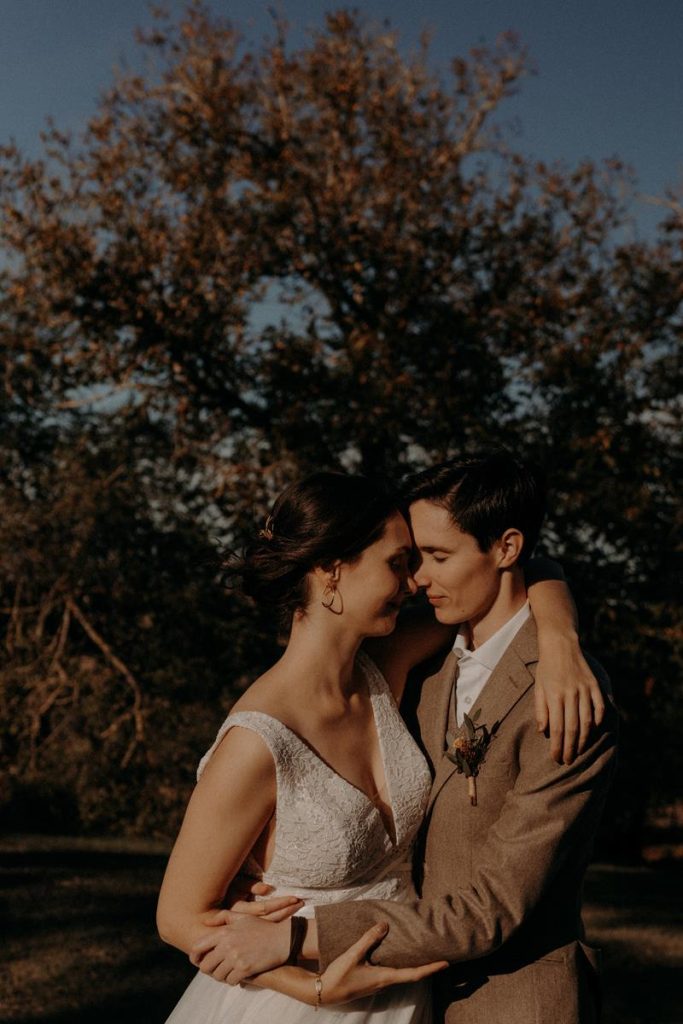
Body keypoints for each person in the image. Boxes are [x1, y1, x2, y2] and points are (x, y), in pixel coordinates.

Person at [157, 464, 606, 1023]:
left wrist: (560, 637)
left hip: (409, 994)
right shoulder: (258, 739)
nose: (414, 580)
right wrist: (305, 988)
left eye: (422, 560)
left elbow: (513, 574)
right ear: (330, 572)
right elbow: (177, 917)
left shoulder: (388, 665)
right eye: (400, 563)